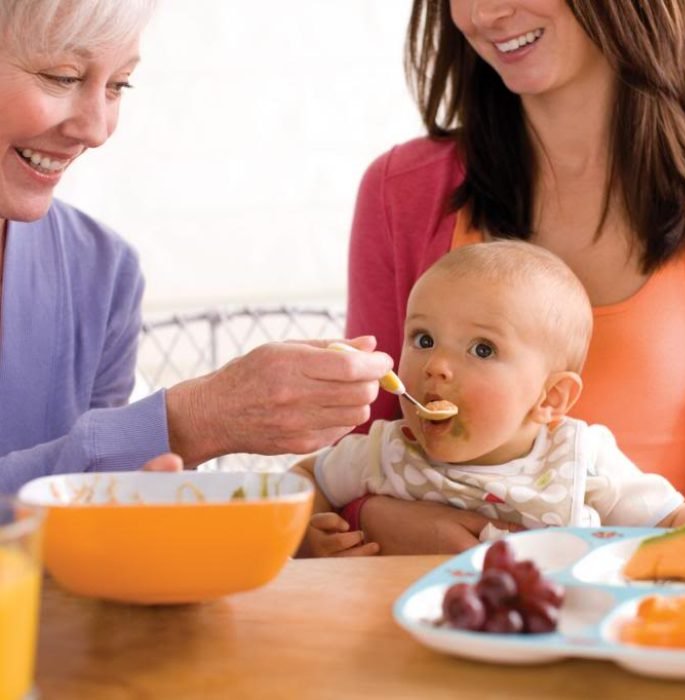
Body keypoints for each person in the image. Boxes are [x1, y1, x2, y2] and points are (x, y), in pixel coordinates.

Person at [343, 0, 685, 551]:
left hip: (663, 613)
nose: (485, 13)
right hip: (442, 604)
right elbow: (358, 442)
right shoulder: (401, 191)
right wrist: (374, 516)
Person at [0, 0, 393, 494]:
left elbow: (101, 512)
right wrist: (189, 422)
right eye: (62, 76)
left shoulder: (102, 272)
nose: (96, 129)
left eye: (118, 85)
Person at [298, 241, 685, 557]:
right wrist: (307, 535)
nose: (436, 366)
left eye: (482, 349)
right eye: (423, 339)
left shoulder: (581, 459)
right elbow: (305, 479)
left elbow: (674, 520)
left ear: (550, 397)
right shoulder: (382, 452)